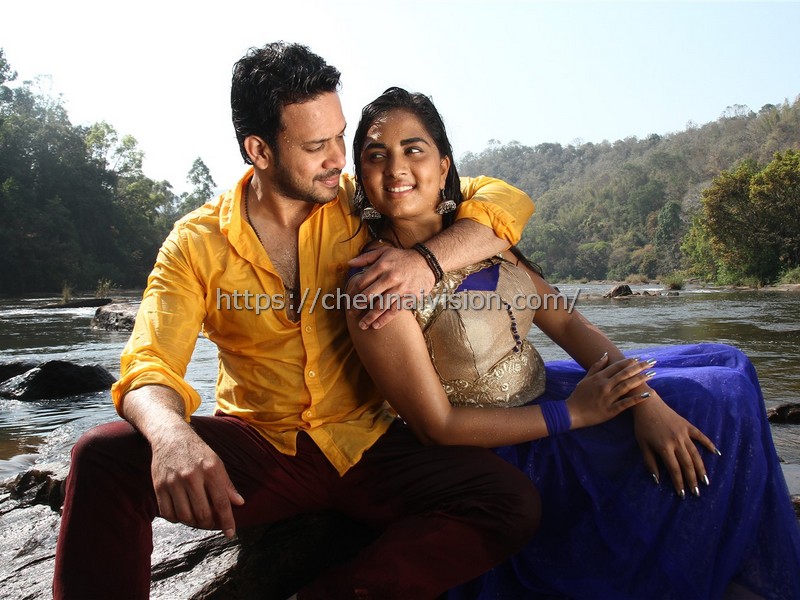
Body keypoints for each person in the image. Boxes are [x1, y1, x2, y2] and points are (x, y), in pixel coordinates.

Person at [52, 43, 542, 599]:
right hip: (261, 449)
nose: (339, 158)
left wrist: (426, 261)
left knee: (509, 503)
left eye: (339, 136)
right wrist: (172, 436)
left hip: (370, 442)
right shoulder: (196, 243)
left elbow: (503, 201)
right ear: (259, 150)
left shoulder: (361, 202)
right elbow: (149, 363)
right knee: (103, 457)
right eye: (316, 146)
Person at [345, 86, 800, 600]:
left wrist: (644, 399)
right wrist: (576, 414)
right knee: (710, 400)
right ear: (361, 176)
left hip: (550, 387)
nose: (396, 168)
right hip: (506, 439)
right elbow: (438, 427)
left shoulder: (481, 233)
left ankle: (731, 562)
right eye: (376, 155)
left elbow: (565, 323)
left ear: (444, 165)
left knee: (728, 366)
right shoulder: (373, 287)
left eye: (414, 149)